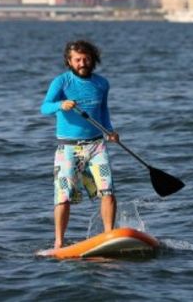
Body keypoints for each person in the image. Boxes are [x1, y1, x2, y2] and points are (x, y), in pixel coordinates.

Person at [40, 39, 120, 249]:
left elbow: (103, 112)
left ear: (93, 60)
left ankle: (109, 236)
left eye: (86, 59)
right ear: (69, 61)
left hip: (96, 146)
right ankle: (59, 242)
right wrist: (60, 105)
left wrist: (109, 130)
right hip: (68, 148)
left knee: (108, 190)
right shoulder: (61, 82)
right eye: (77, 60)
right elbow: (45, 107)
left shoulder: (102, 83)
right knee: (63, 196)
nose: (82, 63)